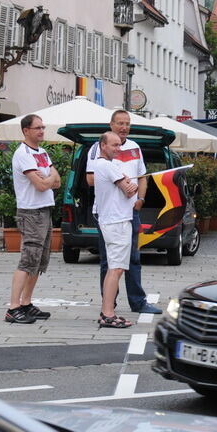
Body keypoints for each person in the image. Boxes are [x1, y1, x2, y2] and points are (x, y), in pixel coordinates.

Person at [85, 110, 160, 315]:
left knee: (133, 258)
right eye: (119, 123)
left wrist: (140, 200)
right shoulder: (98, 149)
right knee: (109, 261)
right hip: (109, 212)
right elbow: (91, 179)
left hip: (130, 211)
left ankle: (138, 302)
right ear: (111, 124)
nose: (124, 127)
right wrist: (118, 179)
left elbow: (142, 177)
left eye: (127, 123)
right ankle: (109, 305)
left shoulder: (135, 147)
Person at [7, 114, 60, 324]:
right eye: (37, 128)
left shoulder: (43, 153)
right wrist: (48, 179)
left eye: (43, 127)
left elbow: (56, 182)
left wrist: (46, 178)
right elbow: (41, 185)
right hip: (30, 211)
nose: (41, 131)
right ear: (26, 130)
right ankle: (13, 306)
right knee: (28, 259)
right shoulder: (23, 154)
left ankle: (26, 302)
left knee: (39, 260)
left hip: (44, 209)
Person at [92, 132, 138, 329]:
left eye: (120, 145)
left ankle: (107, 311)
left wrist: (127, 182)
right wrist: (132, 185)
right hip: (116, 222)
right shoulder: (107, 165)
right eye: (114, 145)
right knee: (116, 268)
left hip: (114, 220)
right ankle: (108, 313)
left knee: (115, 267)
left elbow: (124, 186)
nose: (118, 149)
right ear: (103, 145)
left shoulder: (105, 166)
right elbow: (128, 191)